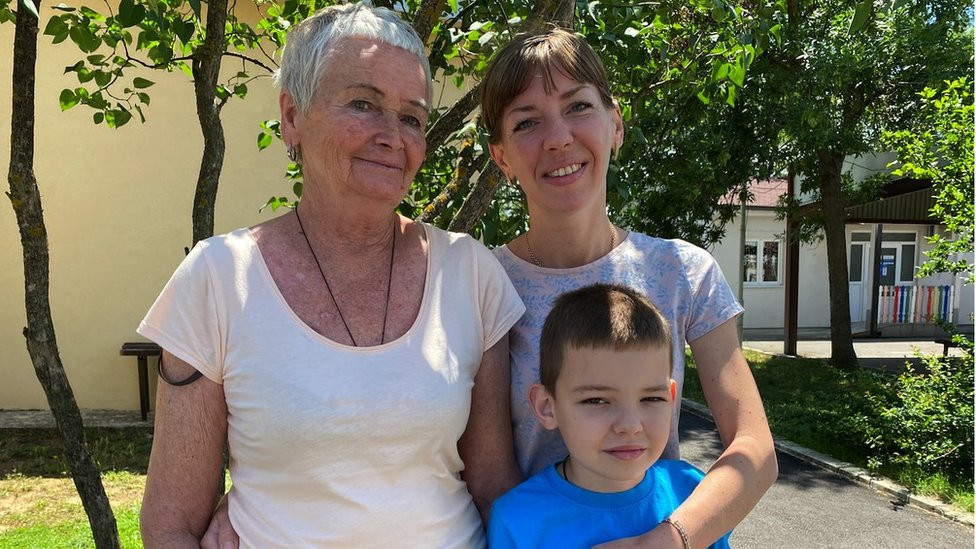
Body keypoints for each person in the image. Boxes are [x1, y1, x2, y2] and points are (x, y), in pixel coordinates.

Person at [138, 3, 524, 547]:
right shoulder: (218, 279)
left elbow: (494, 489)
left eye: (412, 118)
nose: (392, 136)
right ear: (292, 116)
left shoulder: (470, 273)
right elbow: (170, 524)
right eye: (363, 104)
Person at [481, 29, 777, 548]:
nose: (558, 138)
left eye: (578, 106)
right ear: (501, 157)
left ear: (615, 124)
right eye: (527, 121)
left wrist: (667, 541)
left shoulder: (684, 271)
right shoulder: (482, 283)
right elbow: (491, 479)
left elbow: (755, 449)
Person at [487, 284, 732, 549]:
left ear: (671, 400)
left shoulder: (696, 495)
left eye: (651, 398)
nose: (630, 426)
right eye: (596, 400)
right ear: (547, 406)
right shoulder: (517, 520)